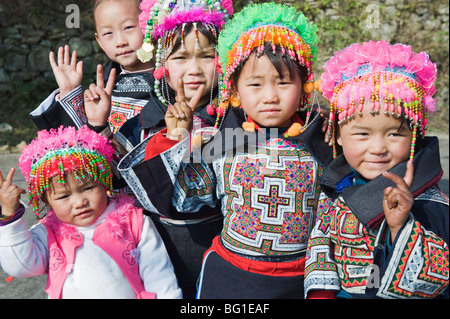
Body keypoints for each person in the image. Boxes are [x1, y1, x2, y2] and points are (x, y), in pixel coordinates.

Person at [121, 2, 334, 298]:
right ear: (234, 89)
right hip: (227, 279)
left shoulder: (323, 145)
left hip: (300, 280)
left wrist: (322, 288)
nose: (270, 96)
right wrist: (176, 138)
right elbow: (185, 200)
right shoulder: (221, 142)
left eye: (284, 82)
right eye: (256, 84)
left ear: (304, 85)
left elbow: (330, 222)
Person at [305, 40, 449, 299]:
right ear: (337, 135)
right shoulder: (338, 186)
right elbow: (321, 252)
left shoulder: (430, 203)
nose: (378, 148)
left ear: (415, 134)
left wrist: (400, 227)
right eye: (362, 134)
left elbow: (436, 278)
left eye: (394, 133)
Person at [0, 126, 182, 299]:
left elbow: (160, 278)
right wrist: (10, 217)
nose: (79, 202)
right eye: (64, 196)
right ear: (47, 202)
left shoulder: (134, 222)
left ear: (104, 182)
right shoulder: (48, 233)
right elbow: (20, 266)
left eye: (87, 188)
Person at [30, 0, 154, 134]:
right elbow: (79, 146)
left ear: (149, 24)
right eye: (108, 33)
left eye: (128, 27)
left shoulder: (171, 80)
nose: (120, 42)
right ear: (99, 41)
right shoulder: (103, 91)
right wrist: (68, 92)